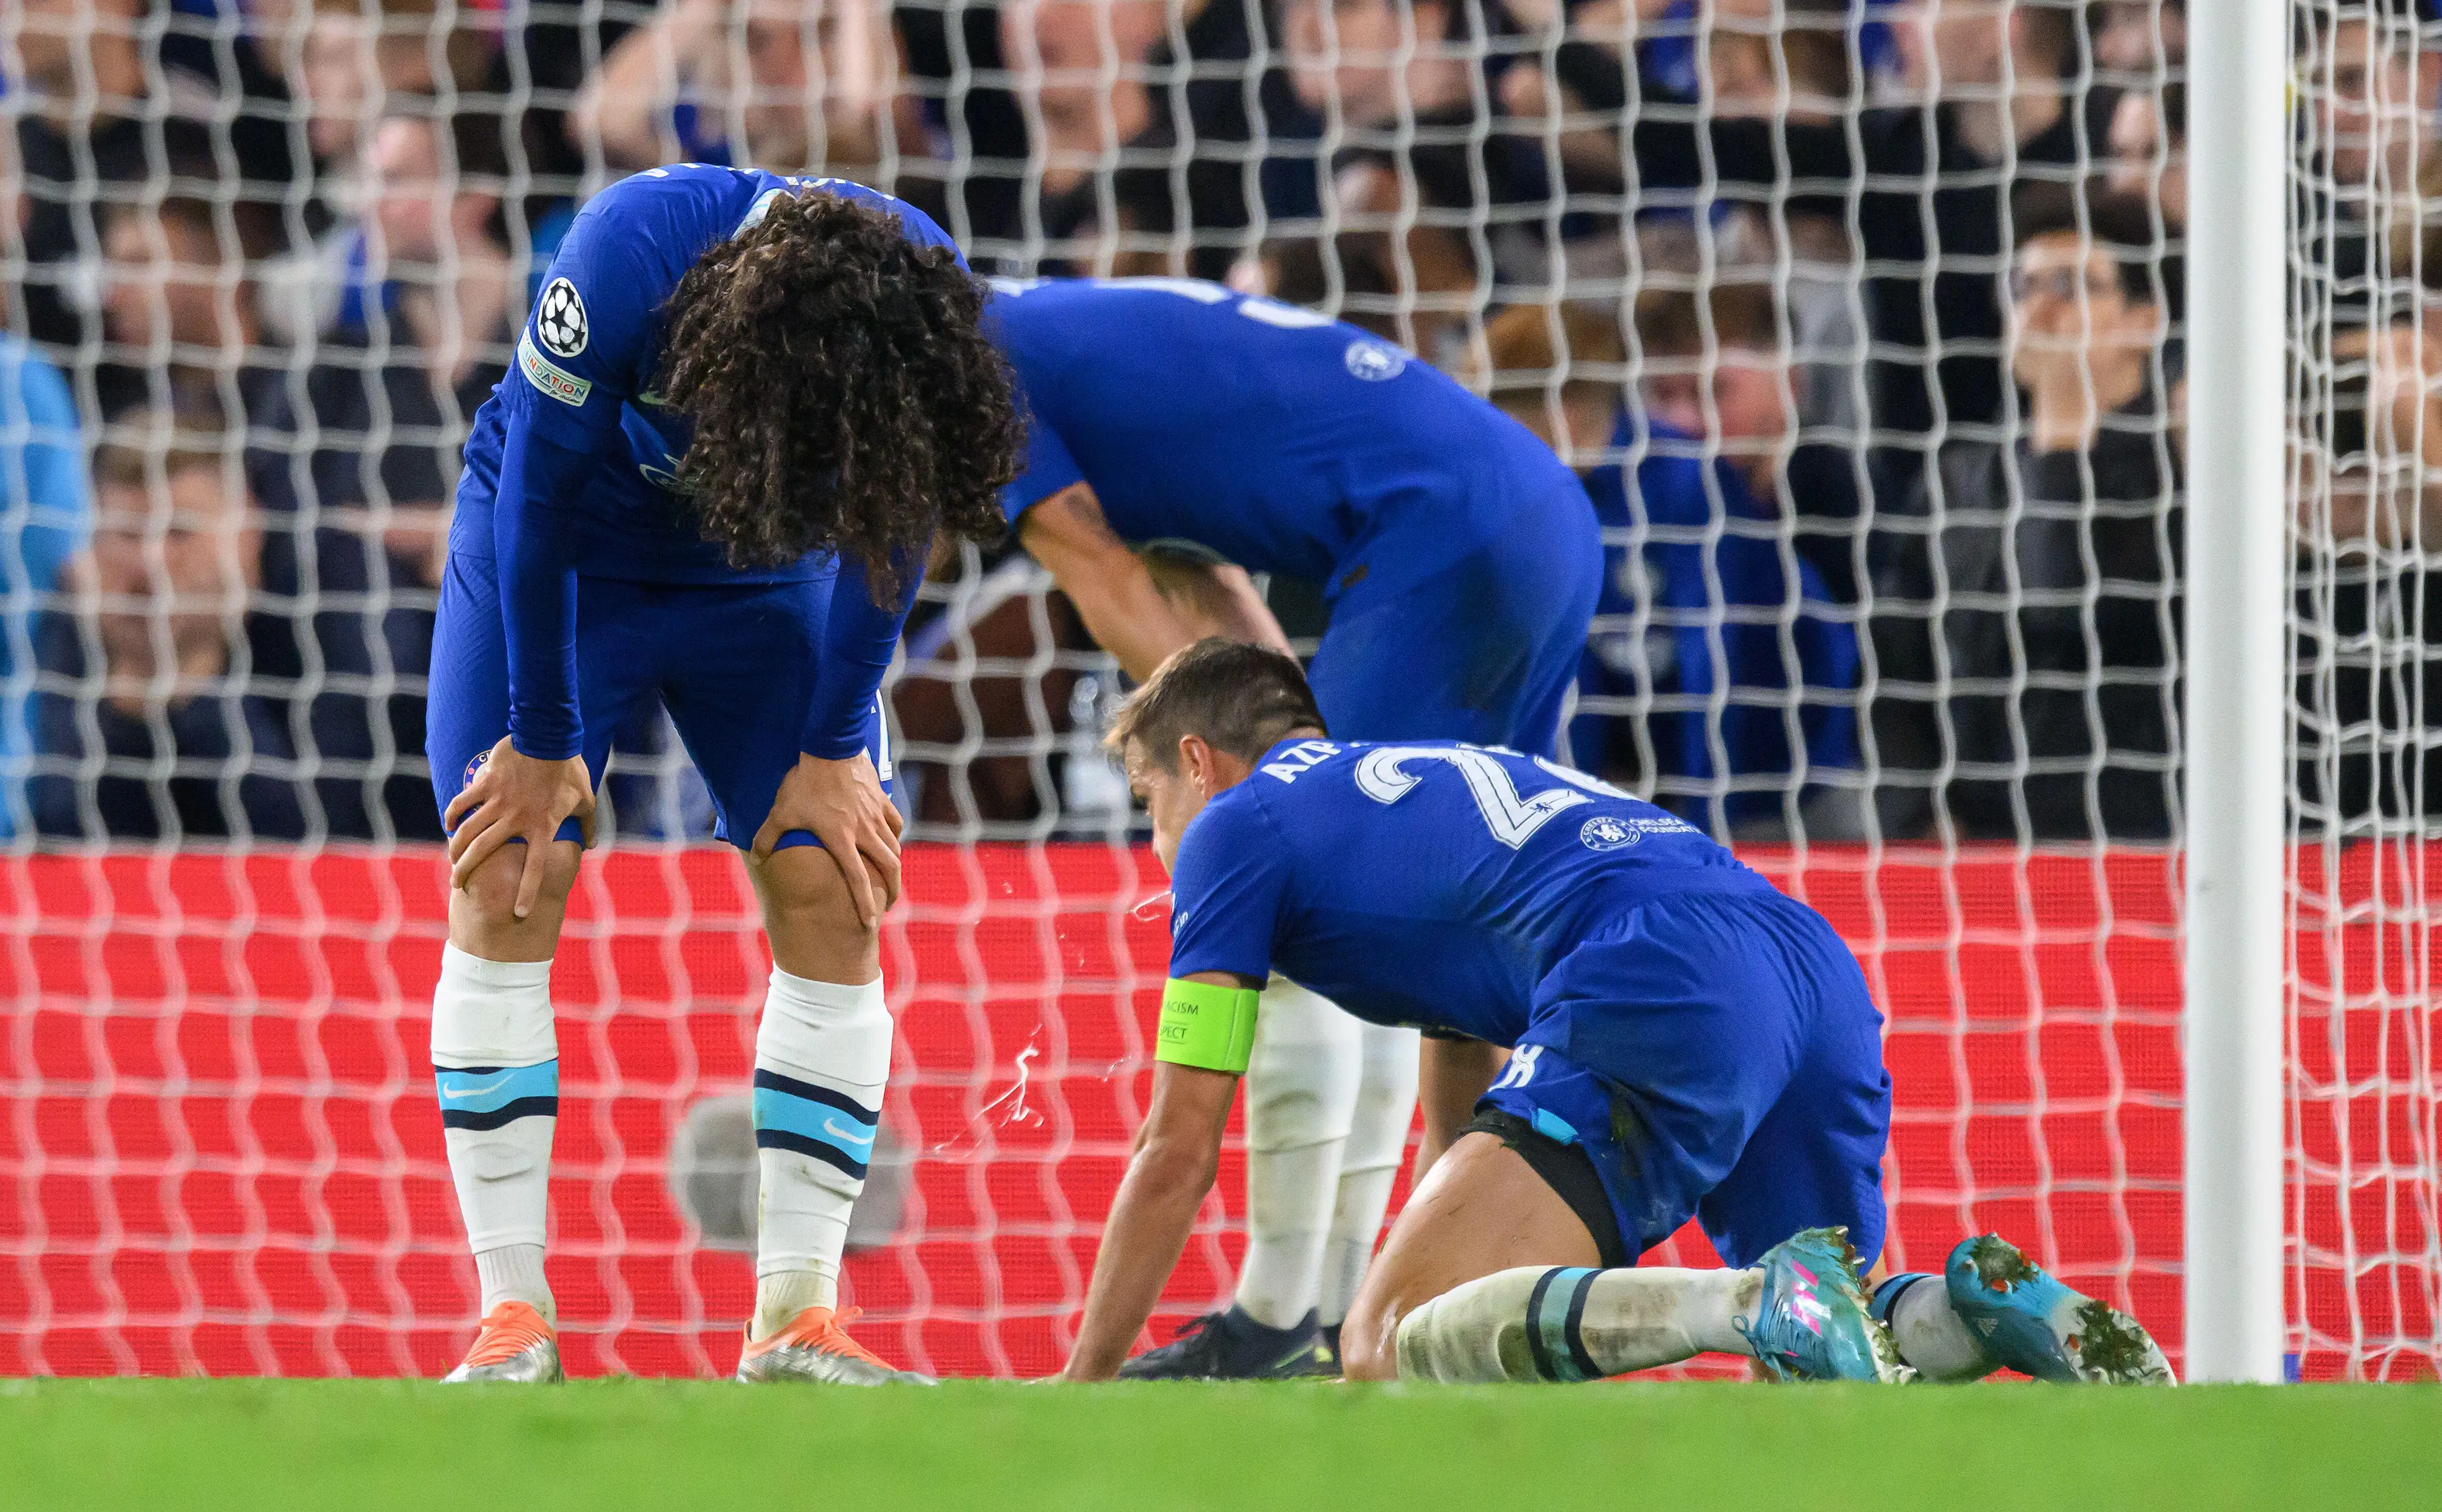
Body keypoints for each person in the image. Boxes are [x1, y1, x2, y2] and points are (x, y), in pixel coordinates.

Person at [1061, 638, 2176, 1388]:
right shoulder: (1403, 781)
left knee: (1385, 1344)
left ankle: (1742, 1301)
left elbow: (1178, 1146)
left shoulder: (1232, 829)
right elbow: (1460, 1020)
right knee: (1848, 1334)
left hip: (1658, 970)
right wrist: (1458, 1205)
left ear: (1199, 763)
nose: (1157, 832)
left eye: (1151, 797)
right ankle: (1975, 1305)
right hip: (1796, 962)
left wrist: (1083, 1380)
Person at [425, 163, 1021, 1385]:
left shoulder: (913, 290)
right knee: (508, 864)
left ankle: (797, 1317)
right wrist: (542, 739)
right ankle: (511, 1318)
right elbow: (534, 498)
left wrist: (833, 740)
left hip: (759, 570)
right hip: (571, 546)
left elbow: (894, 518)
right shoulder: (624, 254)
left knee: (835, 873)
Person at [990, 274, 1603, 1377]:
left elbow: (1104, 571)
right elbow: (1217, 604)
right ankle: (1412, 1300)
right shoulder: (1092, 350)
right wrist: (1286, 752)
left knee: (1304, 897)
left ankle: (1285, 1313)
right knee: (1447, 945)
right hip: (1539, 516)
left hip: (1440, 538)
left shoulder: (979, 370)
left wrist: (1235, 801)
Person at [28, 425, 308, 842]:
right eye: (128, 534)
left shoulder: (313, 627)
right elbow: (54, 827)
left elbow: (307, 831)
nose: (150, 562)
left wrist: (197, 687)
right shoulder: (52, 637)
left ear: (245, 538)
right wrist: (128, 693)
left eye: (179, 532)